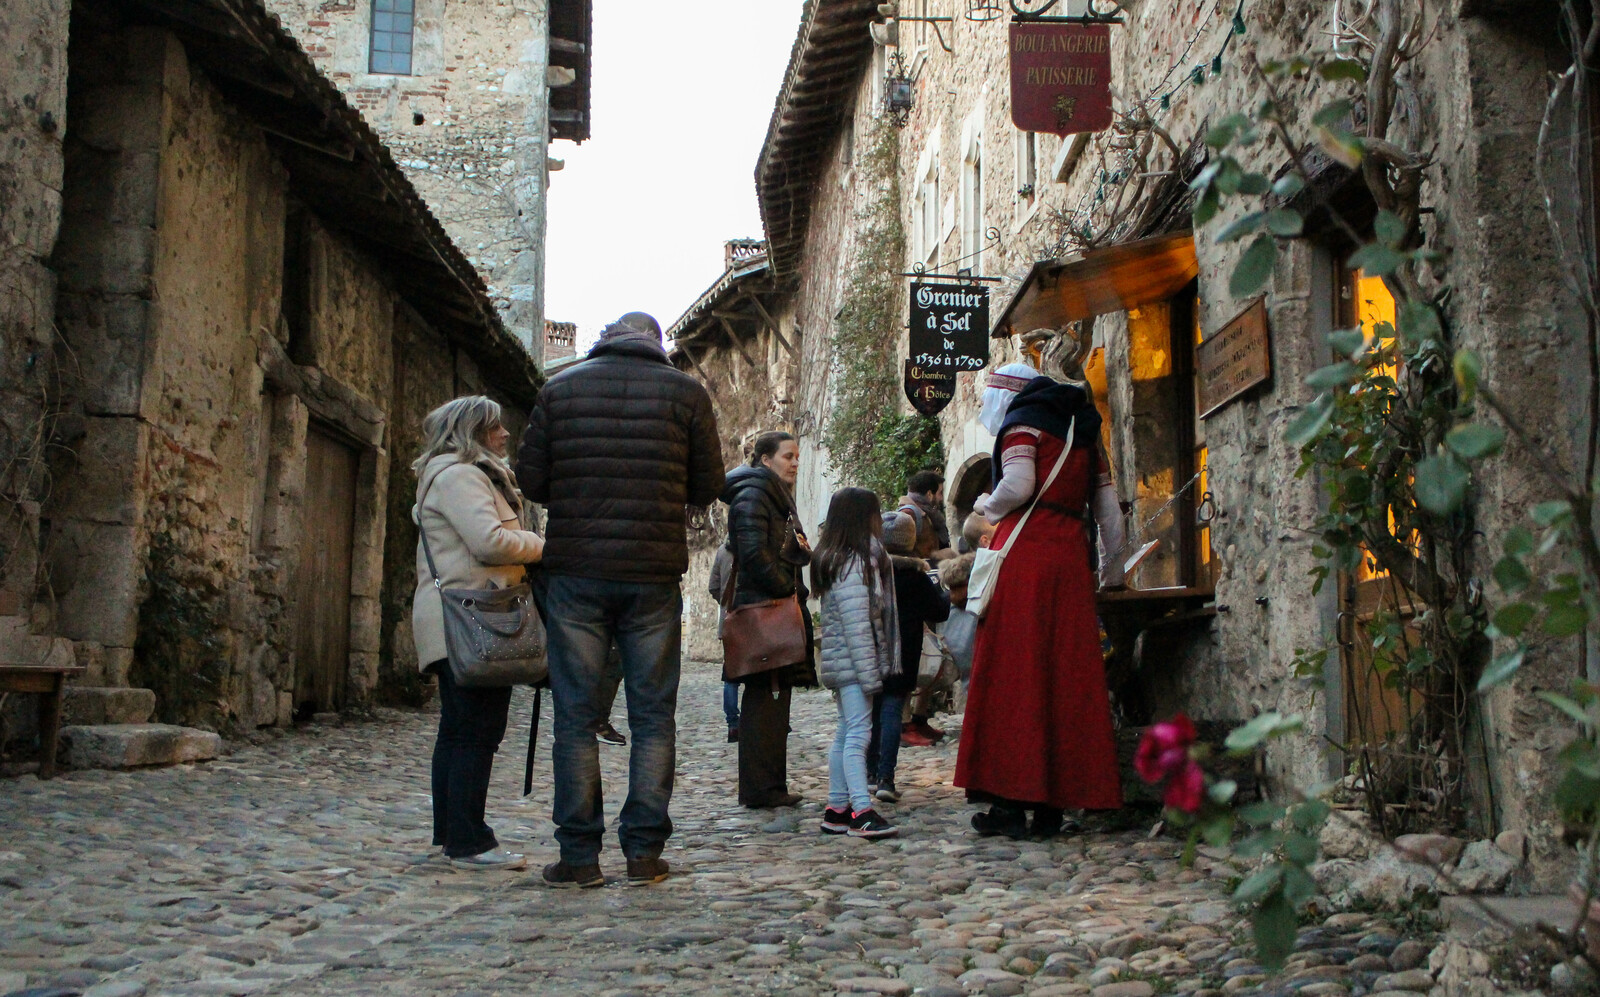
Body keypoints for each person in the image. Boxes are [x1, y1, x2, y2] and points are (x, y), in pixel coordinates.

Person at [515, 312, 723, 888]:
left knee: (576, 718)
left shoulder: (560, 389)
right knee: (654, 717)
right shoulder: (686, 394)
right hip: (652, 573)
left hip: (577, 571)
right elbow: (709, 485)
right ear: (655, 345)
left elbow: (531, 480)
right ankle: (643, 853)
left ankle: (579, 858)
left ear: (607, 338)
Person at [954, 363, 1127, 840]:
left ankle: (1010, 804)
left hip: (1025, 559)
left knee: (1014, 676)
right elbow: (1110, 514)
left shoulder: (1022, 423)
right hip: (1070, 559)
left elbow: (1018, 485)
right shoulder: (1086, 430)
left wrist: (980, 509)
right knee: (1062, 677)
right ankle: (1051, 806)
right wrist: (1112, 573)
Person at [411, 396, 545, 869]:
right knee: (475, 731)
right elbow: (489, 542)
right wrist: (544, 546)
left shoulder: (447, 475)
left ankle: (452, 833)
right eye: (495, 428)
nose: (506, 435)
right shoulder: (462, 476)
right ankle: (469, 840)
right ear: (472, 432)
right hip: (471, 617)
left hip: (457, 616)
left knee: (460, 728)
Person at [719, 431, 815, 809]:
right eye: (787, 456)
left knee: (774, 700)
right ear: (764, 459)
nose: (794, 463)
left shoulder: (771, 495)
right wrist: (783, 591)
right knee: (765, 699)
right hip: (766, 607)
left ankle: (770, 784)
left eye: (796, 456)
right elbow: (754, 553)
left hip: (774, 603)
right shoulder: (754, 495)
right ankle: (762, 788)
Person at [811, 487, 900, 839]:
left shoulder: (839, 558)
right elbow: (857, 623)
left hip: (843, 661)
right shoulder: (857, 562)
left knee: (847, 732)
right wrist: (870, 675)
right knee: (858, 736)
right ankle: (861, 811)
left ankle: (836, 808)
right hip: (853, 663)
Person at [867, 511, 949, 804]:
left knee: (871, 712)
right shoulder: (916, 576)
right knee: (891, 711)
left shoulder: (869, 571)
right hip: (904, 654)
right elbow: (939, 612)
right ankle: (885, 777)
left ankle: (868, 773)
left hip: (872, 650)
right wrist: (941, 588)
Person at [707, 545, 741, 743]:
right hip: (752, 617)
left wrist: (724, 601)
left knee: (731, 674)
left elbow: (713, 586)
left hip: (728, 619)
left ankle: (733, 723)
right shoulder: (753, 544)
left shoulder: (721, 551)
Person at [897, 470, 956, 563]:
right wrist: (936, 555)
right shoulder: (909, 514)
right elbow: (902, 553)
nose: (941, 498)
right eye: (940, 493)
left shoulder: (927, 513)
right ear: (929, 494)